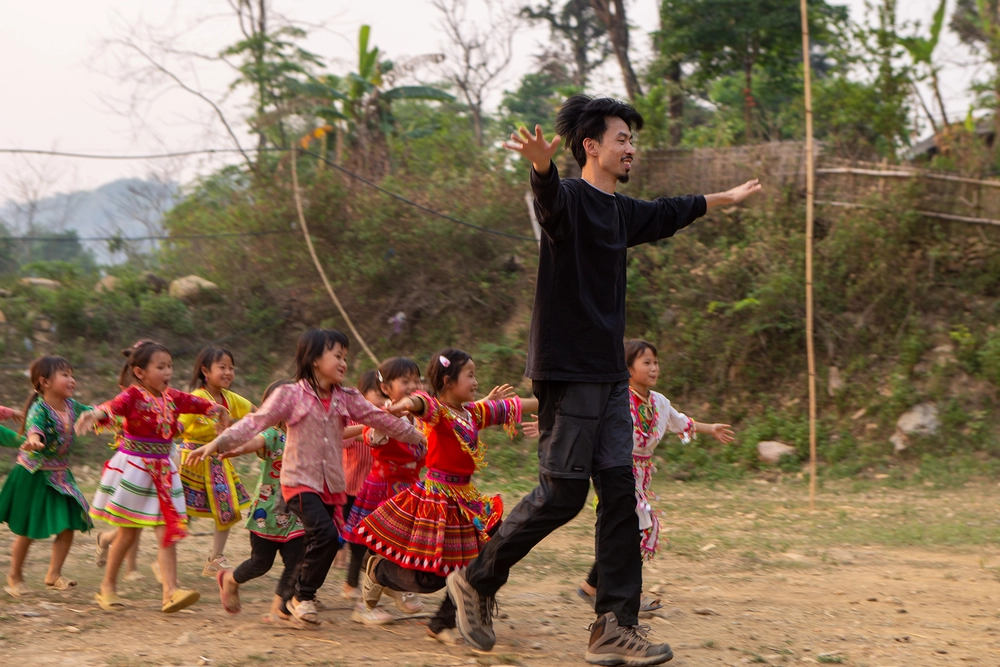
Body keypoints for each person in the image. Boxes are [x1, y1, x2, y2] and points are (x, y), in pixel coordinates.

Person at [445, 94, 761, 666]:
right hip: (567, 372)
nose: (630, 147)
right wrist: (541, 165)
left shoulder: (622, 211)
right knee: (561, 496)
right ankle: (475, 579)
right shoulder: (566, 199)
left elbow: (672, 209)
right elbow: (546, 199)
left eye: (632, 140)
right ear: (591, 146)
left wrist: (727, 198)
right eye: (622, 138)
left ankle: (614, 626)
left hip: (611, 377)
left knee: (620, 495)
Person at [187, 328, 426, 628]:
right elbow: (255, 422)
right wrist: (218, 443)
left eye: (345, 358)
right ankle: (303, 596)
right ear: (314, 359)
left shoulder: (347, 397)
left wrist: (421, 437)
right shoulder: (290, 395)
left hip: (332, 486)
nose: (343, 363)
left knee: (324, 542)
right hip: (299, 482)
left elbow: (381, 420)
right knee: (324, 535)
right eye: (337, 356)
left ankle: (298, 598)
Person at [354, 349, 536, 645]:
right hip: (437, 499)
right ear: (449, 382)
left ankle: (440, 624)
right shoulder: (436, 410)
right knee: (432, 577)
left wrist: (560, 398)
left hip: (468, 500)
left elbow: (514, 405)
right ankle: (380, 571)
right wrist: (403, 405)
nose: (476, 381)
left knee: (477, 563)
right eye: (471, 375)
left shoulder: (474, 412)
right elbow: (420, 402)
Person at [576, 339, 734, 610]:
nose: (653, 368)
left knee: (623, 530)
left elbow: (680, 422)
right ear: (627, 368)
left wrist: (711, 429)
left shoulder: (659, 402)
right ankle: (631, 595)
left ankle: (592, 585)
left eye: (656, 362)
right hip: (614, 468)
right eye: (646, 362)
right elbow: (585, 418)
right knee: (637, 527)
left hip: (640, 475)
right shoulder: (615, 398)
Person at [76, 341, 229, 613]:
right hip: (136, 469)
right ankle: (107, 587)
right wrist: (94, 413)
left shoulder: (171, 396)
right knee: (127, 534)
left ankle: (170, 592)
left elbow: (195, 402)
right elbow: (111, 407)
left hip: (164, 470)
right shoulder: (133, 395)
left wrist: (215, 409)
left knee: (166, 530)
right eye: (161, 367)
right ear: (140, 372)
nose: (168, 372)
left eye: (169, 366)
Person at [212, 379, 306, 622]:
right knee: (260, 563)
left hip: (296, 513)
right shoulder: (273, 434)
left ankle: (278, 607)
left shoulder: (307, 434)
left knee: (297, 561)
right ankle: (229, 578)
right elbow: (254, 442)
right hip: (268, 513)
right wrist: (231, 442)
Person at [0, 357, 94, 597]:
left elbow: (94, 413)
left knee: (68, 525)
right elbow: (35, 429)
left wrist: (106, 414)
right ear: (45, 382)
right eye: (64, 375)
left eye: (71, 374)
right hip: (33, 474)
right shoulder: (39, 409)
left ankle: (53, 574)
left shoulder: (73, 406)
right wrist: (33, 440)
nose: (71, 379)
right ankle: (14, 576)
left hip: (60, 474)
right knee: (28, 531)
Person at [343, 357, 426, 624]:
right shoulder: (383, 416)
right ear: (387, 388)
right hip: (385, 490)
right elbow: (370, 436)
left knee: (404, 546)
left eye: (417, 380)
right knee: (381, 548)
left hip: (410, 490)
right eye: (406, 381)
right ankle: (365, 605)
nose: (414, 386)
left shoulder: (421, 416)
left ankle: (397, 588)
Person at [178, 346, 254, 575]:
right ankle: (165, 552)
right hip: (193, 460)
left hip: (219, 461)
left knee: (228, 509)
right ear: (205, 371)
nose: (228, 372)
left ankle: (215, 558)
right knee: (182, 513)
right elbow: (179, 425)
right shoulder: (197, 398)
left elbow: (257, 413)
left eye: (231, 368)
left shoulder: (231, 399)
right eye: (222, 367)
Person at [339, 370, 380, 600]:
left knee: (362, 542)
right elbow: (342, 437)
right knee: (340, 541)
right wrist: (362, 430)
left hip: (373, 492)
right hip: (349, 491)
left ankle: (352, 585)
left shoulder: (383, 419)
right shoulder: (353, 418)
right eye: (378, 393)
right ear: (363, 394)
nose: (383, 399)